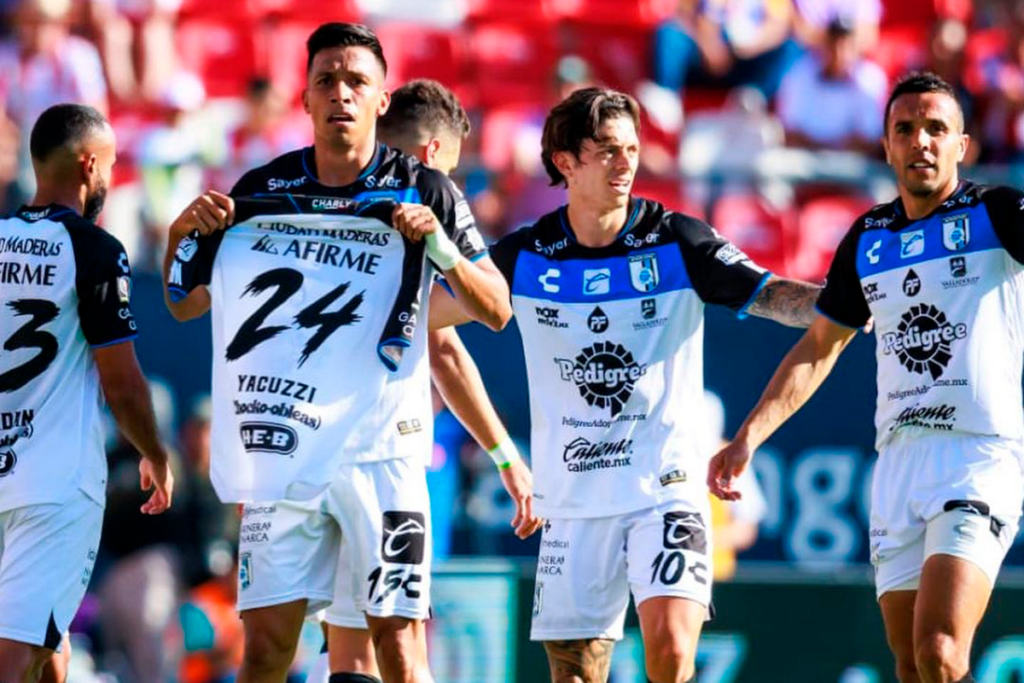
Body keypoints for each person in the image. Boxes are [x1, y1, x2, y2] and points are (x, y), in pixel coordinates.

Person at [162, 23, 513, 683]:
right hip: (285, 451)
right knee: (265, 645)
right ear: (305, 97)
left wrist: (439, 248)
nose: (341, 93)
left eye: (357, 81)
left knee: (399, 650)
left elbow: (496, 307)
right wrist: (180, 235)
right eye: (327, 79)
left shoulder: (426, 190)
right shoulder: (260, 192)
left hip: (383, 454)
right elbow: (185, 301)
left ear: (382, 100)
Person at [432, 86, 820, 683]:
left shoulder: (678, 240)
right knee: (576, 675)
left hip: (664, 487)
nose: (625, 163)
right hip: (573, 501)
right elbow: (425, 317)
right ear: (565, 162)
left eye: (632, 149)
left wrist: (844, 300)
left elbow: (774, 296)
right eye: (608, 149)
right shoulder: (525, 255)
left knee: (670, 654)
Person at [709, 71, 1024, 683]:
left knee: (939, 649)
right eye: (905, 129)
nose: (921, 142)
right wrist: (749, 435)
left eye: (937, 129)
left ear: (964, 145)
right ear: (885, 145)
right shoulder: (867, 239)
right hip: (899, 464)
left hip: (976, 456)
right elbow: (820, 346)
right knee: (910, 663)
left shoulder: (999, 212)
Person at [305, 77, 541, 683]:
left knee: (349, 649)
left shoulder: (312, 195)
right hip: (383, 459)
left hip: (307, 453)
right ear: (433, 156)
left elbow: (440, 345)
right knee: (402, 651)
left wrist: (503, 453)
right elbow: (463, 329)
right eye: (454, 171)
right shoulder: (422, 204)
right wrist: (506, 456)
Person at [0, 103, 173, 683]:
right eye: (113, 166)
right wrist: (156, 451)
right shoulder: (95, 249)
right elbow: (120, 382)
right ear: (90, 165)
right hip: (53, 486)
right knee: (17, 652)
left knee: (48, 644)